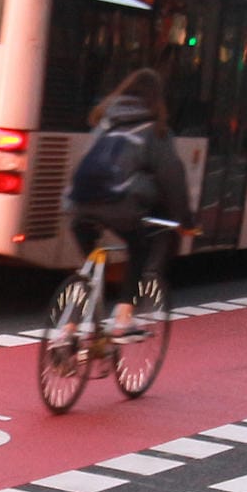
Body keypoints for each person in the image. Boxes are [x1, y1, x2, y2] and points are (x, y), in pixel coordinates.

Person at [66, 68, 196, 340]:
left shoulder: (105, 121)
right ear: (156, 99)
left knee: (90, 267)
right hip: (119, 205)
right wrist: (185, 220)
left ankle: (68, 331)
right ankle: (123, 319)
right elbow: (172, 177)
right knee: (139, 246)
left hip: (78, 202)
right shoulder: (155, 130)